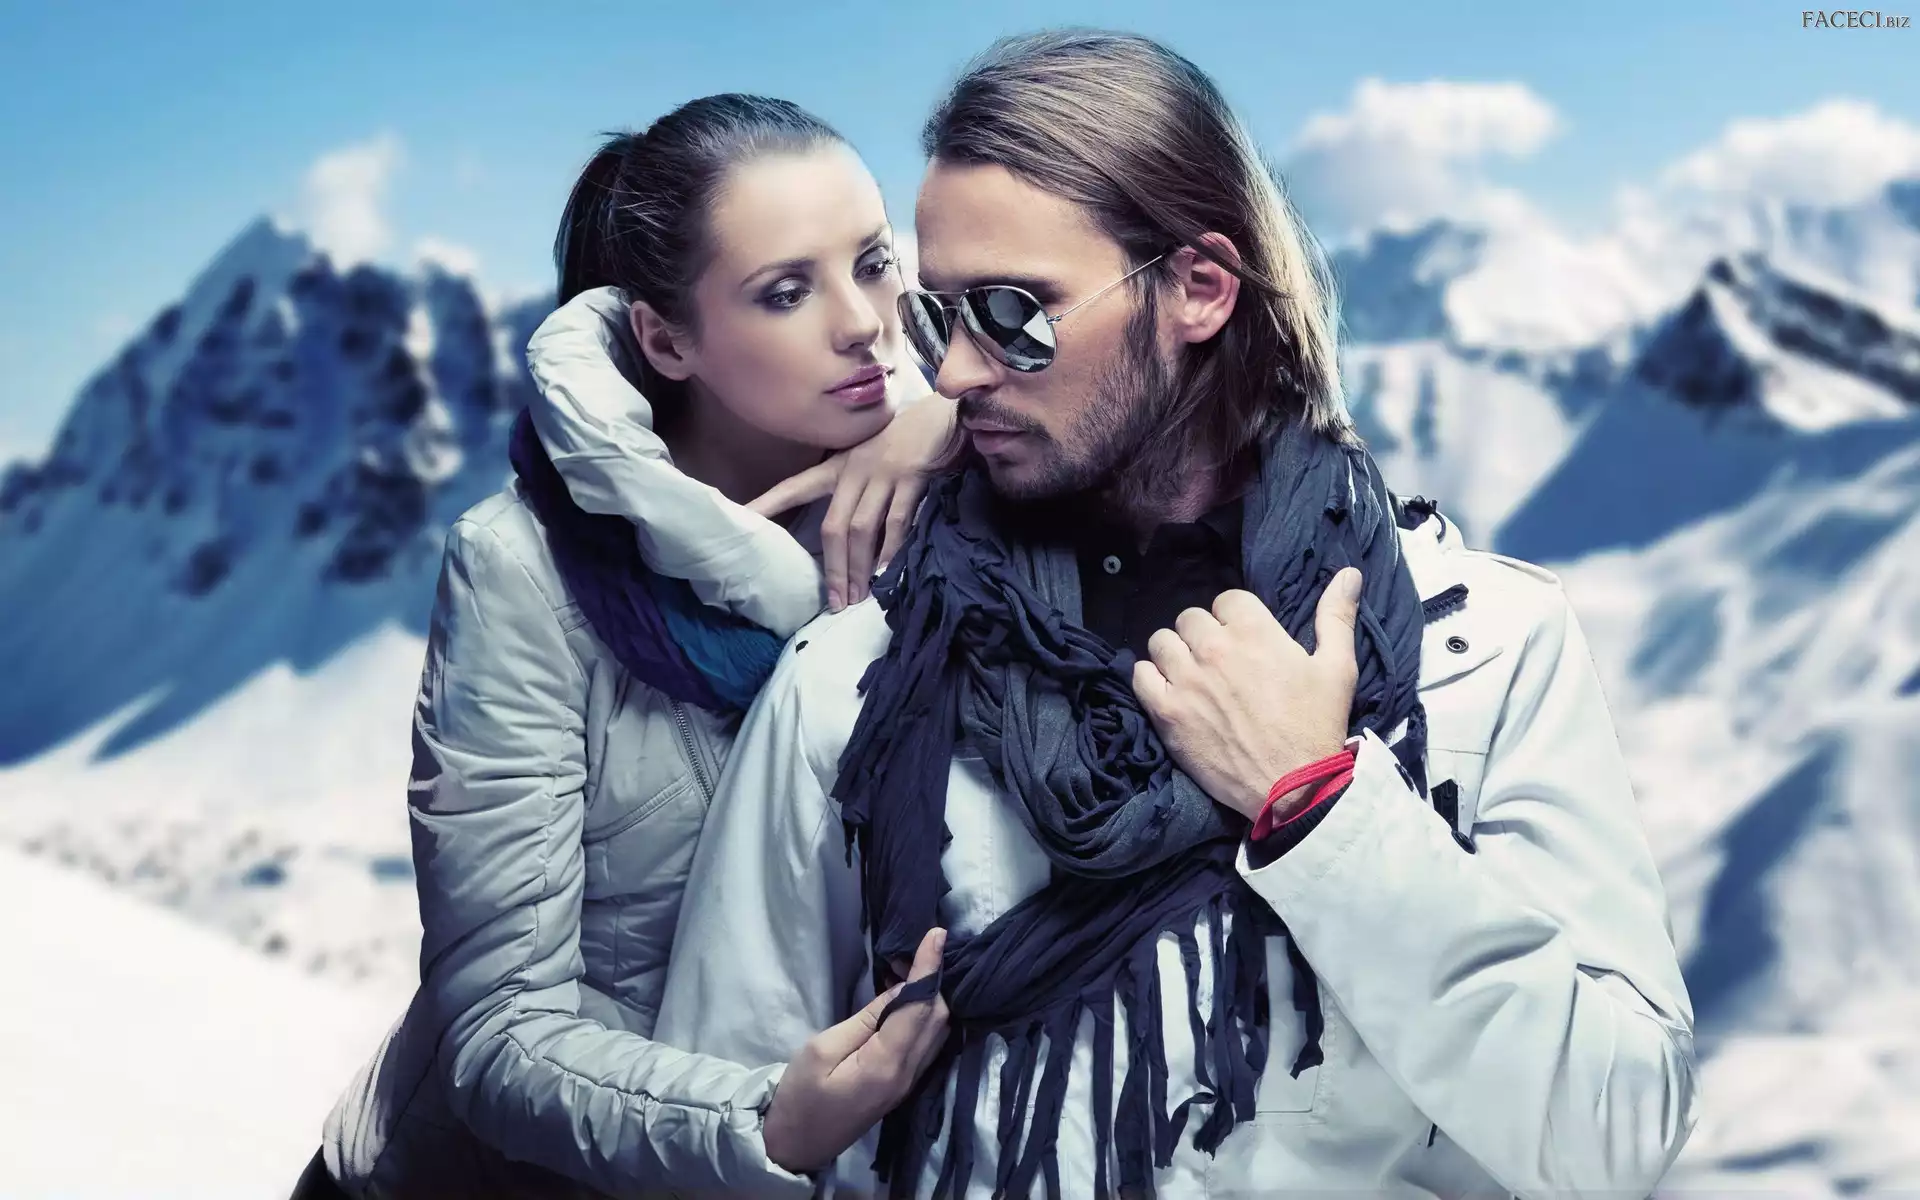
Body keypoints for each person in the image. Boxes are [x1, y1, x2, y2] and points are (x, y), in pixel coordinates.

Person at [650, 31, 1701, 1200]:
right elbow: (719, 1129)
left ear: (1200, 287)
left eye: (1014, 311)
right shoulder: (859, 680)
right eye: (940, 318)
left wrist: (1322, 810)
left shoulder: (1484, 649)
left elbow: (1614, 1140)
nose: (954, 377)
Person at [296, 94, 956, 1200]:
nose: (863, 324)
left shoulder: (946, 500)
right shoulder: (525, 568)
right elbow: (499, 1034)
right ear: (665, 340)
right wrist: (766, 1123)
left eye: (874, 263)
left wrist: (953, 423)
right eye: (786, 291)